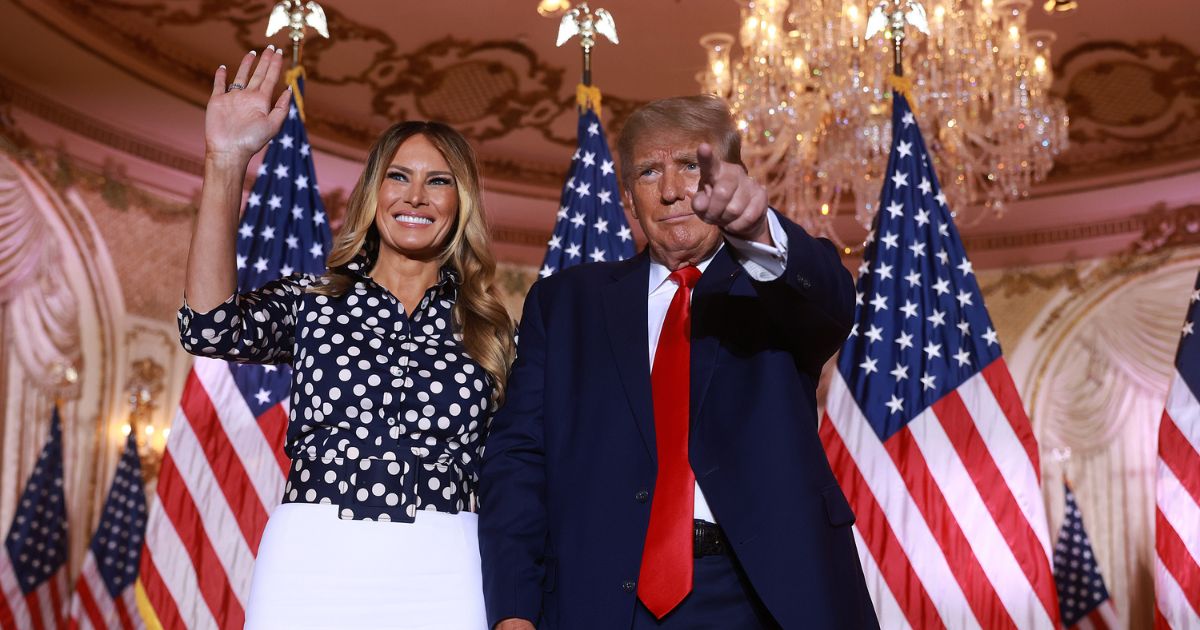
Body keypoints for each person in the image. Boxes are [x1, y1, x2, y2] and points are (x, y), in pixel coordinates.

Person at [479, 95, 878, 629]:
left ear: (729, 176)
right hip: (604, 598)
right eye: (649, 171)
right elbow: (519, 461)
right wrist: (513, 610)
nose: (671, 190)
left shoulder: (772, 284)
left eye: (690, 167)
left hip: (762, 596)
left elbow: (832, 303)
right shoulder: (566, 305)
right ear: (627, 194)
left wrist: (758, 230)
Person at [179, 45, 514, 628]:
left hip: (447, 562)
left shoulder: (489, 327)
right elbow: (208, 326)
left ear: (460, 203)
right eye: (398, 177)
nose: (415, 196)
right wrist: (226, 162)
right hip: (313, 557)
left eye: (438, 181)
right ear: (373, 194)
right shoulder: (315, 301)